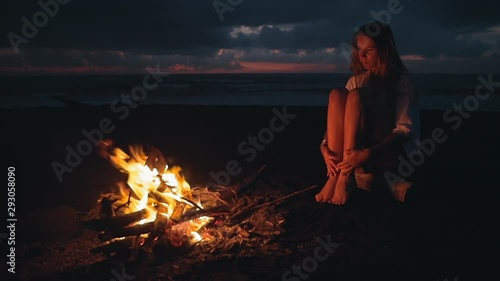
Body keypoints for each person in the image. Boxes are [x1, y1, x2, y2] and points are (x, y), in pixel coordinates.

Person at [315, 21, 419, 205]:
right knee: (337, 94)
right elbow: (339, 120)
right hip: (357, 156)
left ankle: (345, 178)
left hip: (389, 156)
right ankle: (335, 177)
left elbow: (404, 131)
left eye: (369, 50)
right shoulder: (356, 80)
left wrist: (368, 154)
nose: (361, 56)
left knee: (355, 96)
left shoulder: (401, 81)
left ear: (384, 50)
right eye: (358, 49)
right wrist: (324, 146)